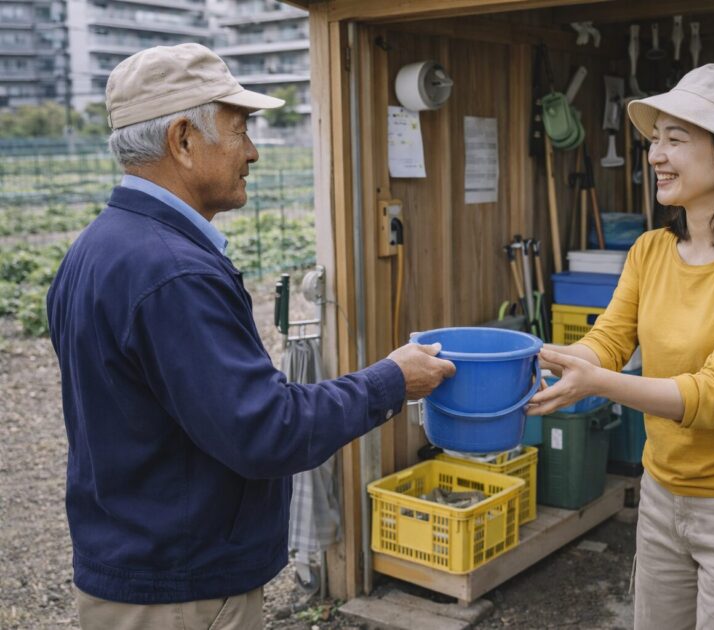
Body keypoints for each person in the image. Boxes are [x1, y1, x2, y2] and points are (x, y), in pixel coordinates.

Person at [46, 43, 455, 629]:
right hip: (183, 592)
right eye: (239, 131)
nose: (254, 152)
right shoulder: (172, 271)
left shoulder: (96, 249)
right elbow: (266, 430)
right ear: (183, 141)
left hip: (134, 561)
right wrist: (392, 380)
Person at [528, 64, 714, 629]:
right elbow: (608, 340)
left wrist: (598, 385)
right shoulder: (651, 250)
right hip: (662, 496)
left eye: (676, 140)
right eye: (655, 139)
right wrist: (552, 359)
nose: (656, 155)